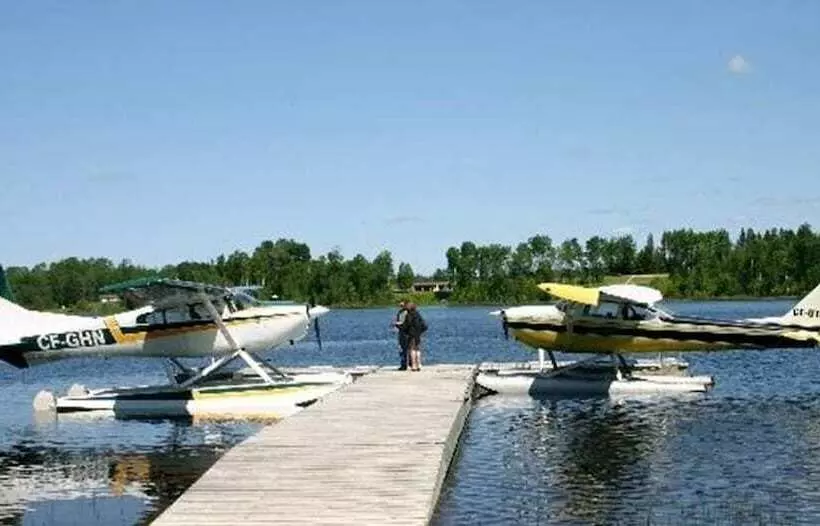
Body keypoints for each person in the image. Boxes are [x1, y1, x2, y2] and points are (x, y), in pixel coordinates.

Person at [404, 302, 428, 371]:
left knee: (412, 349)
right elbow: (424, 326)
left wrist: (402, 329)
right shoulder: (418, 315)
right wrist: (420, 332)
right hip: (418, 334)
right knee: (418, 349)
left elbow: (406, 326)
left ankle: (414, 365)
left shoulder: (408, 315)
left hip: (411, 334)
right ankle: (419, 364)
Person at [394, 300, 410, 370]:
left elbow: (405, 323)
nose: (400, 306)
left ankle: (408, 363)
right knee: (401, 349)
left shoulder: (407, 312)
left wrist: (397, 324)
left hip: (406, 332)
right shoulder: (400, 312)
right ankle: (403, 364)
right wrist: (396, 326)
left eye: (402, 305)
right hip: (401, 332)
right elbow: (398, 321)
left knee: (406, 348)